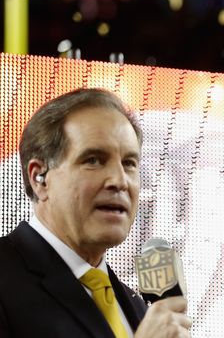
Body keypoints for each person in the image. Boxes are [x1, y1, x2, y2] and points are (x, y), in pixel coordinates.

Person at [0, 88, 192, 338]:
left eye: (129, 163)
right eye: (93, 160)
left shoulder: (136, 307)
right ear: (40, 178)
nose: (119, 181)